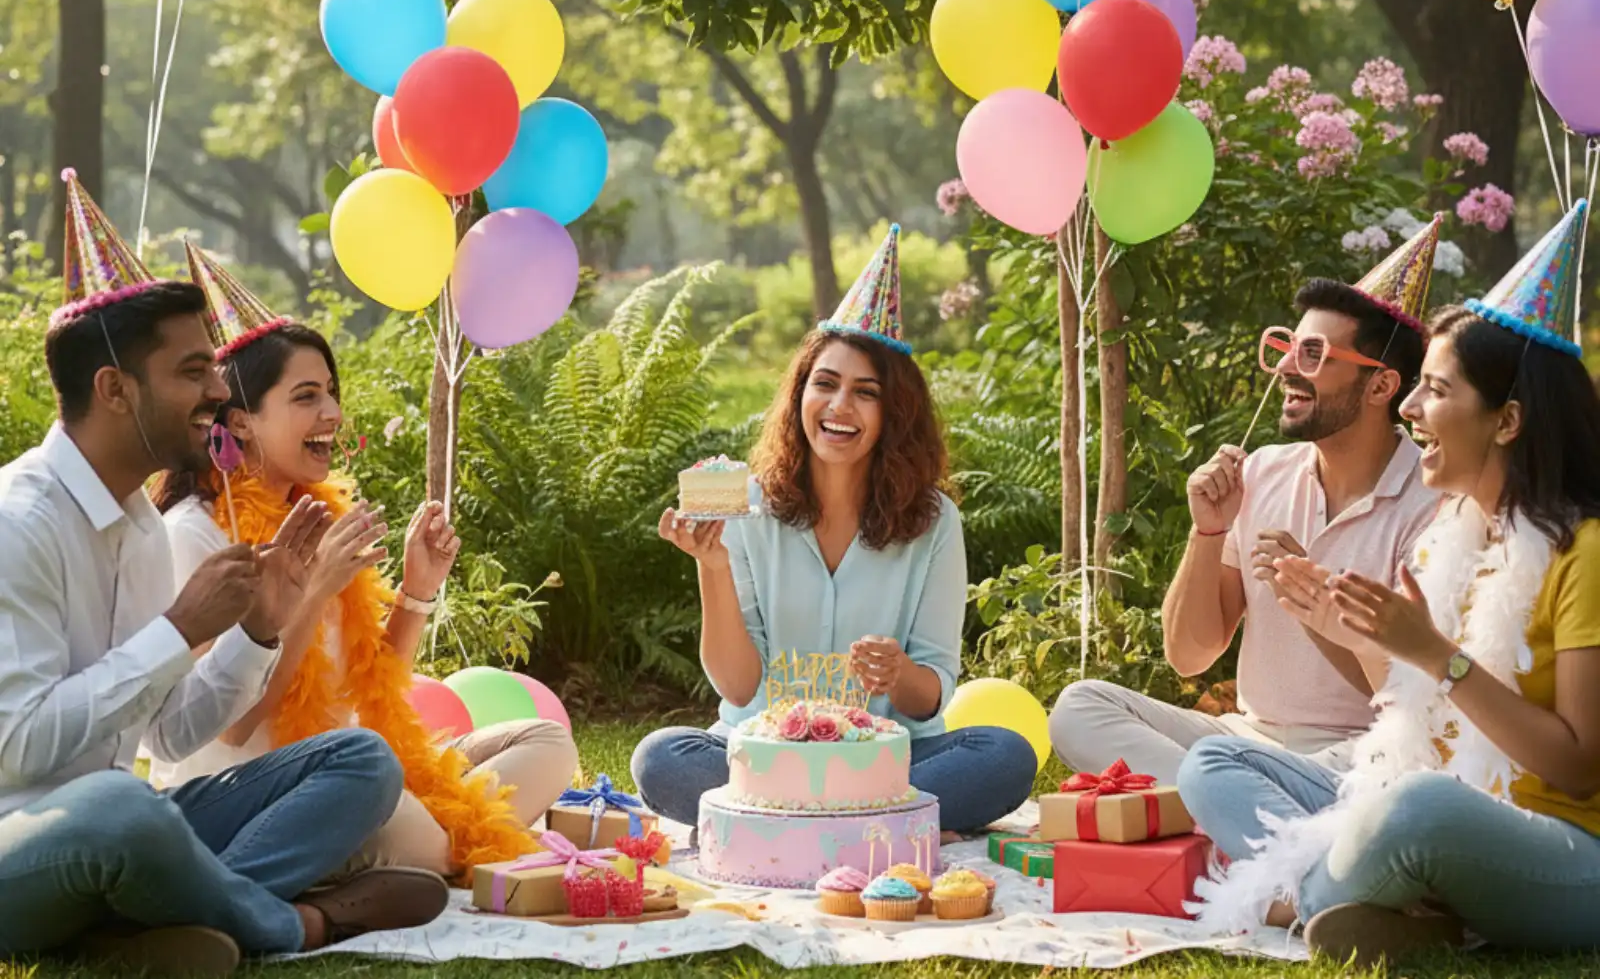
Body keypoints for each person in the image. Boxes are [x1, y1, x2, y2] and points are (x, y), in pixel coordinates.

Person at [0, 172, 448, 974]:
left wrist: (258, 627)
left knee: (361, 761)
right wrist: (178, 630)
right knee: (122, 807)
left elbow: (170, 730)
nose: (218, 391)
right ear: (113, 388)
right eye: (193, 371)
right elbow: (18, 747)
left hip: (138, 824)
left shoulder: (136, 523)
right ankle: (295, 923)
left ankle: (151, 927)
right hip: (23, 840)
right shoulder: (19, 522)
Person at [1182, 202, 1600, 965]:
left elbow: (1574, 763)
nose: (1409, 408)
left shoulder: (1586, 552)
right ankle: (1385, 905)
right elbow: (1409, 729)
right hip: (1436, 803)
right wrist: (1369, 637)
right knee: (1210, 763)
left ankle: (1307, 896)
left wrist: (1439, 657)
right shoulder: (1457, 535)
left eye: (1434, 391)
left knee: (1418, 807)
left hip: (1566, 851)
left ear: (1506, 421)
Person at [147, 243, 578, 879]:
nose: (332, 414)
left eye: (331, 392)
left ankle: (411, 851)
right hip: (255, 789)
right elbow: (233, 729)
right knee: (425, 843)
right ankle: (379, 859)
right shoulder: (194, 537)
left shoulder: (318, 514)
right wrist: (312, 592)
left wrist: (416, 590)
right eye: (305, 397)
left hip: (352, 764)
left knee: (547, 745)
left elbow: (369, 685)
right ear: (239, 424)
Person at [632, 226, 1037, 833]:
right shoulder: (744, 506)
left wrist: (899, 675)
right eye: (825, 384)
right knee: (661, 758)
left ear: (893, 414)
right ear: (800, 394)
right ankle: (879, 824)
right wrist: (710, 567)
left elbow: (932, 698)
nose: (839, 406)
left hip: (890, 756)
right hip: (767, 753)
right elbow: (741, 692)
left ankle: (792, 824)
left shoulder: (933, 523)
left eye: (865, 393)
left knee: (1005, 756)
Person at [1051, 220, 1444, 783]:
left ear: (1381, 386)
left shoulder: (1428, 504)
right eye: (1287, 346)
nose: (1285, 367)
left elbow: (1412, 699)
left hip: (1355, 751)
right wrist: (1206, 533)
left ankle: (1209, 800)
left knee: (1391, 772)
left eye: (1313, 354)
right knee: (1079, 708)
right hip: (1241, 739)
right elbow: (1189, 657)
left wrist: (1315, 610)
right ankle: (1228, 798)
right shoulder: (1262, 472)